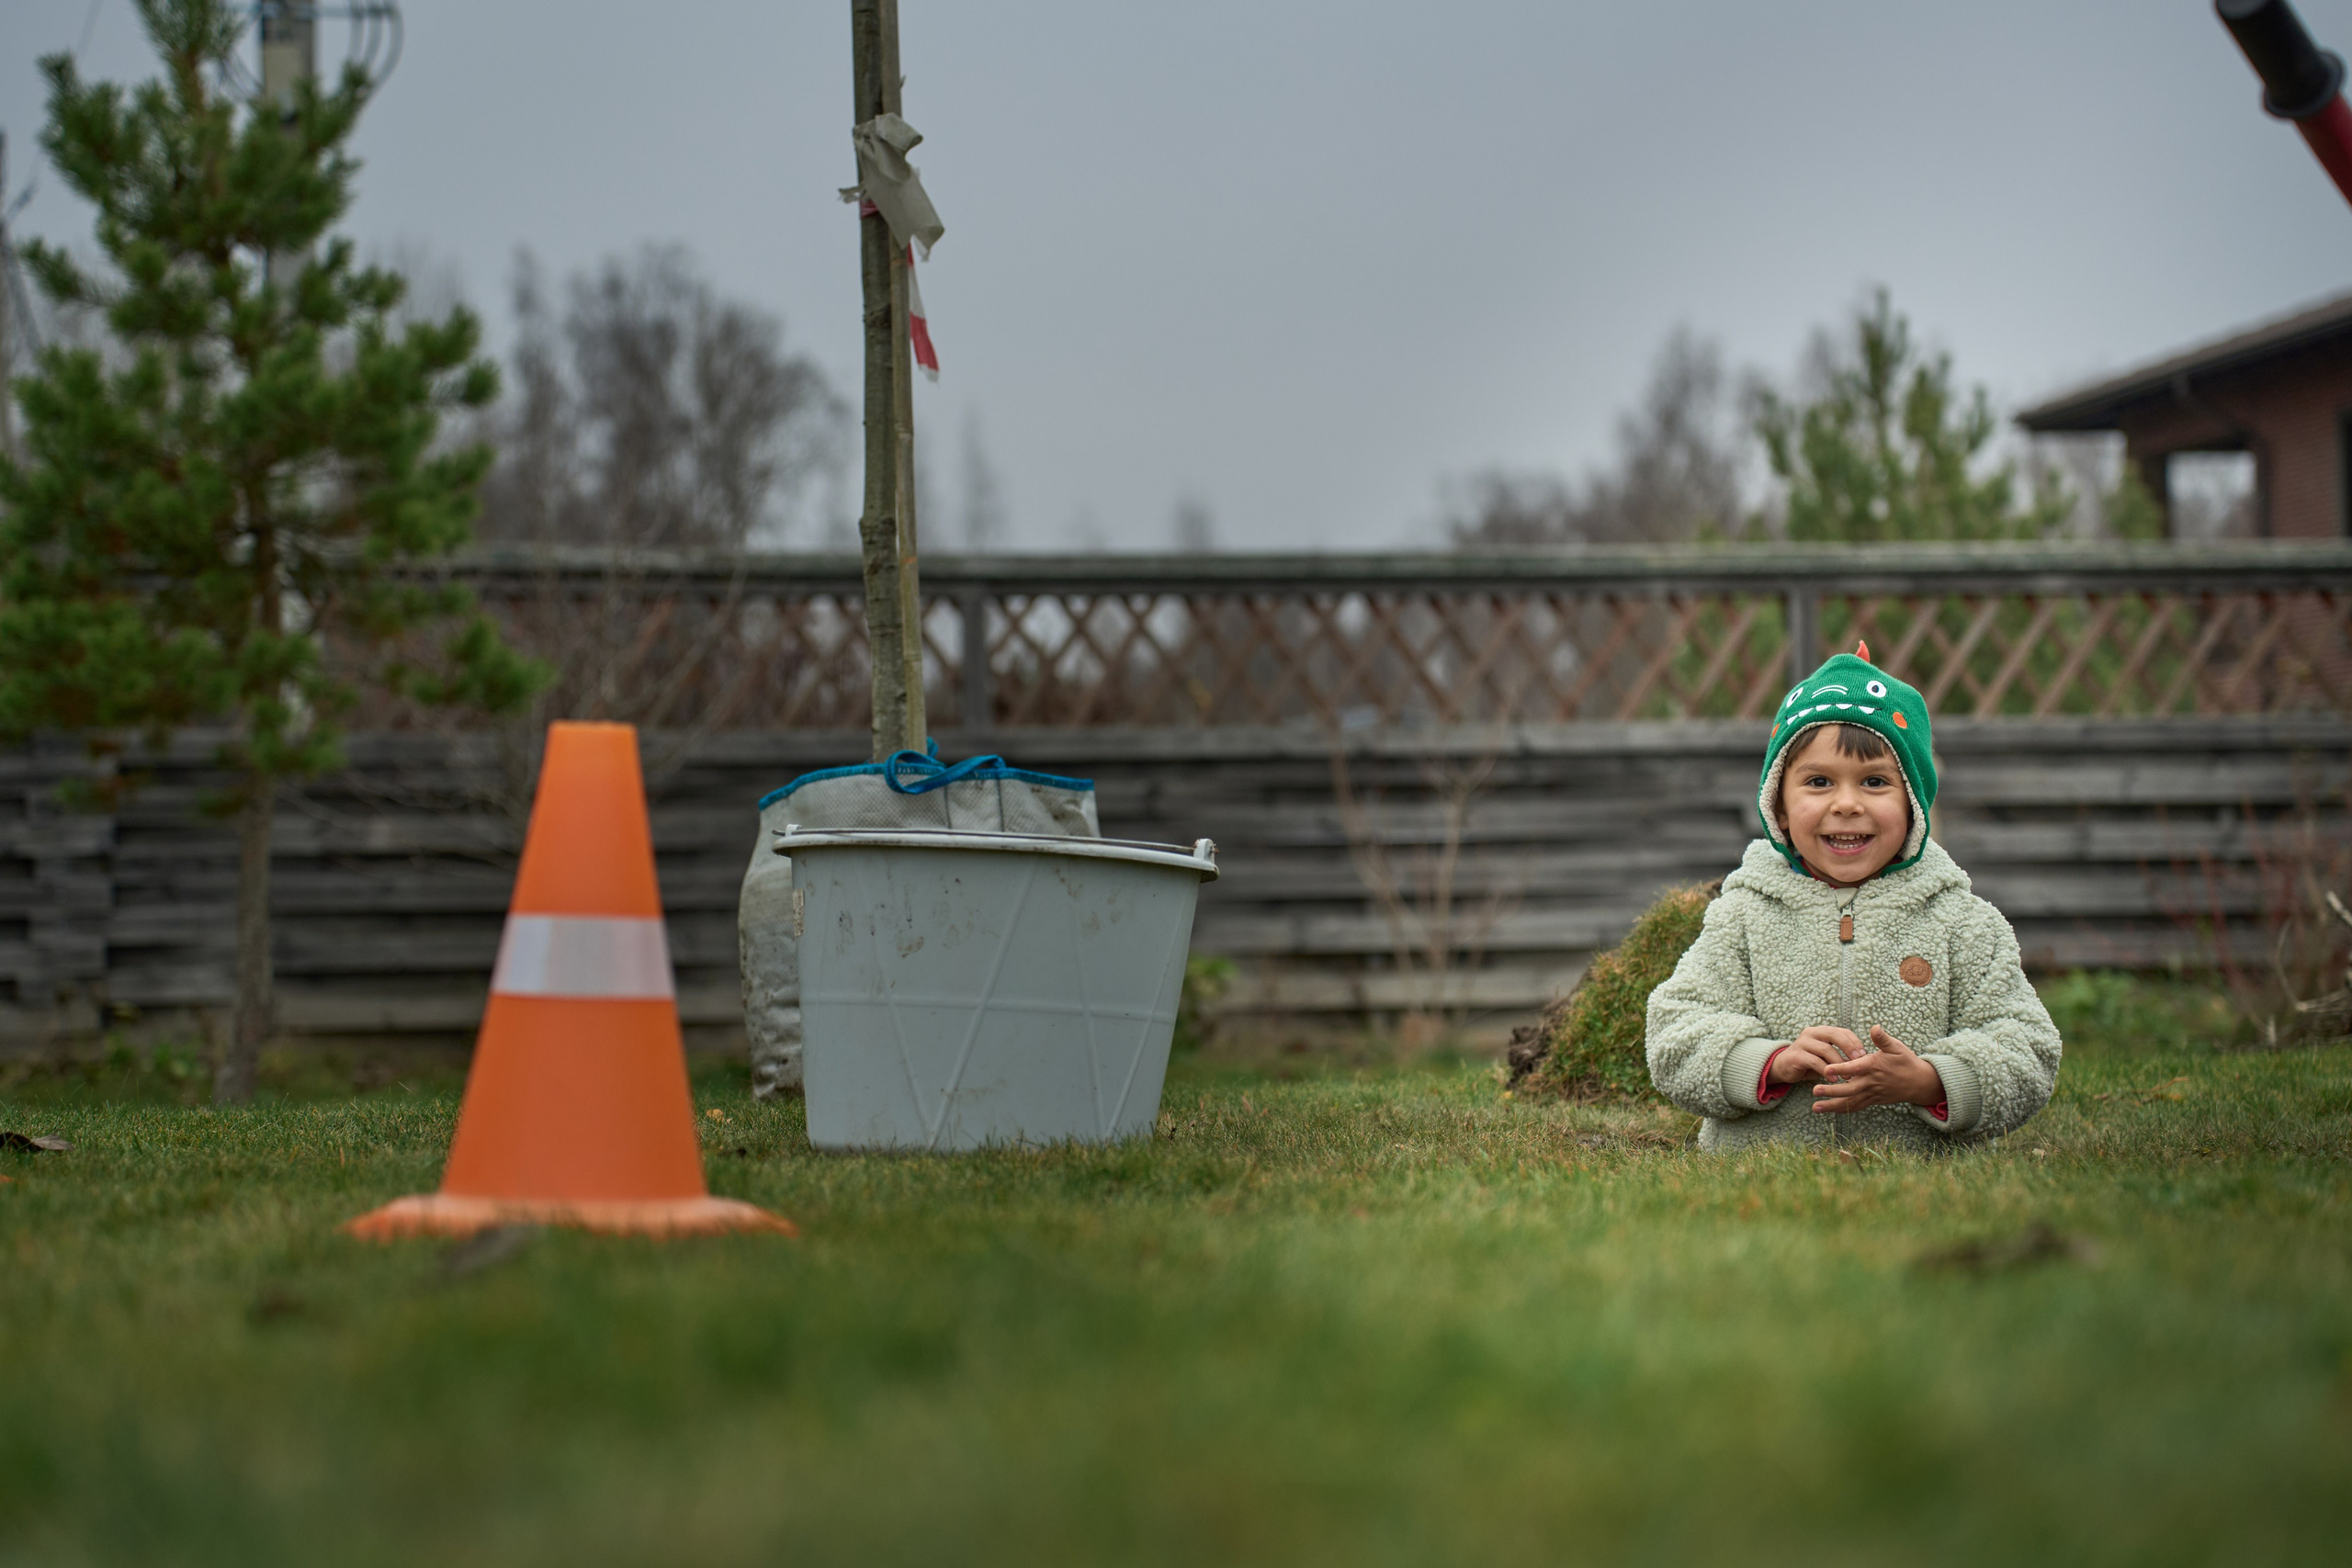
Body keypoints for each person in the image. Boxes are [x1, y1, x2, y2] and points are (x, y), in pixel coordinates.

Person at [1645, 646, 2061, 1151]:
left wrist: (1932, 1081)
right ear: (1778, 806)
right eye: (1819, 782)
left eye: (1875, 782)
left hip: (1925, 1190)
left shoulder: (1964, 922)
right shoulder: (1743, 915)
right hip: (1762, 1188)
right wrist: (1771, 1062)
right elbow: (1675, 1030)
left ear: (1914, 806)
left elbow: (2028, 1048)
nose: (1846, 803)